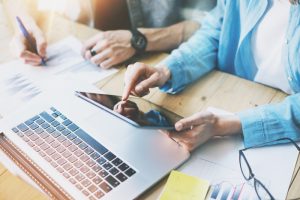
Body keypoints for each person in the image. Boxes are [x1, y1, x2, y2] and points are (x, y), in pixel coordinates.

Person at [122, 0, 300, 151]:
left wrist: (226, 125)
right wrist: (166, 70)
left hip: (276, 130)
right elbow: (214, 33)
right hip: (230, 96)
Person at [3, 0, 216, 67]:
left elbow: (218, 21)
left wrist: (139, 39)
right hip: (77, 55)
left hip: (166, 59)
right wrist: (24, 22)